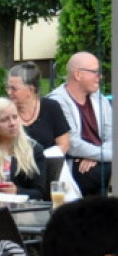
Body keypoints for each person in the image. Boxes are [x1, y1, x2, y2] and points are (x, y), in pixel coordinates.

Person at [48, 51, 112, 196]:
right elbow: (74, 145)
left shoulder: (99, 99)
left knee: (103, 171)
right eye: (95, 72)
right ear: (77, 74)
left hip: (99, 160)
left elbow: (112, 135)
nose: (100, 77)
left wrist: (96, 156)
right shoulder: (57, 101)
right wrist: (104, 155)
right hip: (74, 165)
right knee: (102, 173)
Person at [0, 97, 48, 200]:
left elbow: (40, 192)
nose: (12, 123)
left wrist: (16, 191)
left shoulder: (33, 150)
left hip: (22, 210)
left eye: (15, 117)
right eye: (4, 120)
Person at [6, 62, 70, 157]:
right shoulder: (5, 110)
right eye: (8, 88)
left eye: (14, 89)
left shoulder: (51, 107)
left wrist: (42, 160)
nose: (9, 92)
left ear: (31, 89)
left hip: (49, 165)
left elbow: (64, 144)